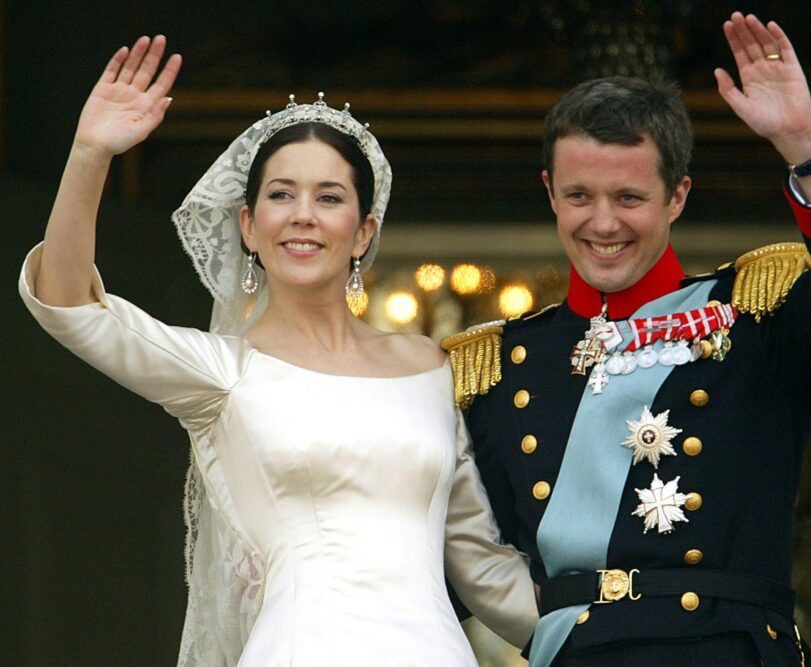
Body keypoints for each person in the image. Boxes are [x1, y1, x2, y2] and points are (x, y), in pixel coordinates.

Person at [19, 36, 538, 666]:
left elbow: (481, 566)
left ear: (364, 231)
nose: (303, 216)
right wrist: (89, 153)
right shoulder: (221, 374)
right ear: (248, 225)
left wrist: (620, 627)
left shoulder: (426, 365)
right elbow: (69, 304)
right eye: (281, 194)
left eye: (329, 197)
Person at [442, 12, 811, 666]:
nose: (602, 223)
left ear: (677, 195)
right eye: (579, 195)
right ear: (550, 192)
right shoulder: (503, 367)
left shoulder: (758, 322)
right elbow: (440, 568)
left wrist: (805, 143)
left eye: (629, 197)